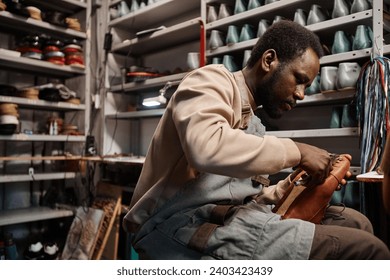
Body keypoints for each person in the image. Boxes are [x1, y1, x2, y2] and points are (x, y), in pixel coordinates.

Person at [123, 20, 390, 259]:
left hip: (218, 217)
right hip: (171, 224)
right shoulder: (209, 81)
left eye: (307, 86)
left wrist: (285, 189)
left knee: (357, 223)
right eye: (298, 80)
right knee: (369, 251)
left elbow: (236, 196)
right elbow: (206, 149)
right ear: (269, 60)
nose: (301, 94)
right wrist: (298, 151)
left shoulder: (254, 123)